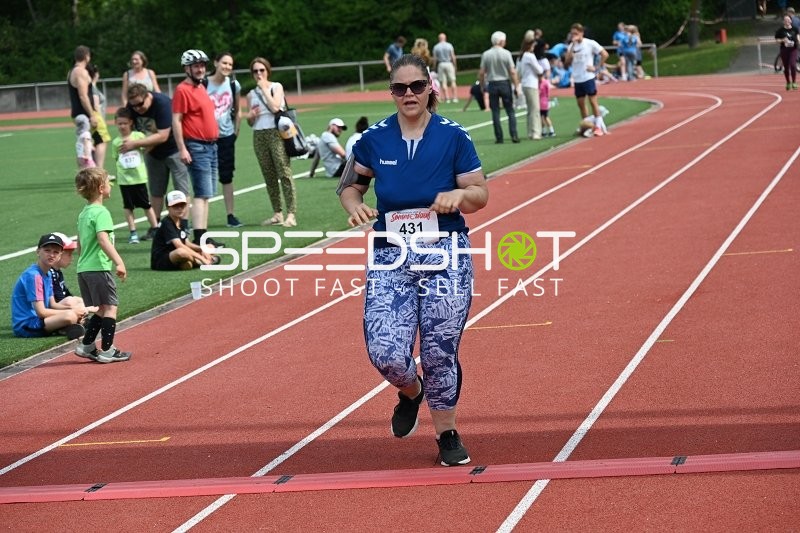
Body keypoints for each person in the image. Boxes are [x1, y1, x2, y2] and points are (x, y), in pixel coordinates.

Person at [338, 53, 489, 467]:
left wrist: (460, 196)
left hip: (446, 253)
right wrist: (354, 205)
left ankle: (447, 432)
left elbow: (480, 192)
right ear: (391, 93)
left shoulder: (454, 136)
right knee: (385, 351)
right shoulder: (373, 138)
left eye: (416, 87)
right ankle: (410, 391)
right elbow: (350, 186)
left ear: (430, 88)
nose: (408, 94)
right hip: (391, 256)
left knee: (440, 348)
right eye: (400, 88)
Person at [74, 167, 132, 363]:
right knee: (111, 307)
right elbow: (103, 239)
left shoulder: (84, 214)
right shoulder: (101, 212)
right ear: (101, 188)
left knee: (101, 308)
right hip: (99, 267)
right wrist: (119, 261)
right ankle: (107, 350)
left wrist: (84, 261)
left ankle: (86, 345)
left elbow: (80, 244)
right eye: (109, 183)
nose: (111, 186)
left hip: (84, 268)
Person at [172, 49, 221, 247]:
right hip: (197, 145)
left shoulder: (201, 87)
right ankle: (200, 237)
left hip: (211, 146)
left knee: (206, 194)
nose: (200, 69)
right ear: (187, 68)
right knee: (201, 193)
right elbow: (176, 120)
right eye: (196, 66)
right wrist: (182, 148)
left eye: (202, 65)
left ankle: (203, 234)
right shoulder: (182, 90)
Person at [123, 83, 191, 225]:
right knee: (156, 190)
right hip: (152, 152)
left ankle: (183, 225)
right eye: (133, 106)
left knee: (181, 189)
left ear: (148, 96)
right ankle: (155, 226)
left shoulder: (163, 104)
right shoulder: (132, 107)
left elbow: (163, 136)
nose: (137, 109)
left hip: (174, 150)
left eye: (140, 104)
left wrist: (135, 145)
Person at [247, 57, 297, 227]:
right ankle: (277, 213)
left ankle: (291, 213)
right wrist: (251, 117)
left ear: (267, 71)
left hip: (276, 133)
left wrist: (264, 89)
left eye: (262, 70)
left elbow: (276, 107)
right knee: (268, 175)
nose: (259, 74)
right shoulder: (250, 94)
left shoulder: (276, 87)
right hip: (259, 135)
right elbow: (250, 122)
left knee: (284, 172)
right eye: (255, 71)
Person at [11, 233, 87, 340]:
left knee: (76, 308)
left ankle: (64, 327)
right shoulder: (34, 276)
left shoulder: (48, 273)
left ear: (60, 255)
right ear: (38, 252)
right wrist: (72, 312)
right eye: (47, 251)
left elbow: (53, 305)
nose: (51, 255)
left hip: (39, 319)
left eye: (56, 252)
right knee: (69, 316)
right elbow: (41, 312)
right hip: (26, 325)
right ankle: (65, 326)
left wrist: (77, 309)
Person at [111, 106, 159, 244]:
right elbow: (116, 158)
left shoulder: (138, 136)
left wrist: (142, 152)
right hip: (125, 181)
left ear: (131, 122)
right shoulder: (116, 142)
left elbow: (148, 146)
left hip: (139, 179)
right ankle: (133, 232)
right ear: (115, 123)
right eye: (119, 123)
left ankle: (155, 228)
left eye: (125, 123)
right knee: (128, 207)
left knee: (147, 205)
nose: (122, 126)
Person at [207, 51, 243, 228]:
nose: (227, 67)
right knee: (203, 176)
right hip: (206, 138)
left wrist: (235, 131)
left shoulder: (234, 84)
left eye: (230, 64)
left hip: (226, 137)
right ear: (215, 63)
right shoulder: (203, 84)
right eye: (224, 63)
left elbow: (238, 110)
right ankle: (195, 219)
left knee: (227, 177)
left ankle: (230, 215)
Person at [564, 22, 609, 137]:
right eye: (572, 33)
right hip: (578, 79)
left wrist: (597, 68)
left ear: (581, 33)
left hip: (588, 78)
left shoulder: (590, 43)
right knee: (581, 104)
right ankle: (587, 125)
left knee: (593, 102)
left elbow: (605, 54)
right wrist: (572, 49)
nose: (574, 36)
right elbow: (566, 63)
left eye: (576, 33)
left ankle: (598, 126)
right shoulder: (571, 47)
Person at [151, 190, 215, 270]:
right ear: (168, 207)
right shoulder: (167, 223)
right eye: (175, 206)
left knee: (210, 246)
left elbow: (186, 243)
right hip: (161, 260)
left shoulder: (180, 220)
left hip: (176, 254)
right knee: (181, 252)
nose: (179, 208)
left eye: (182, 205)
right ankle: (201, 261)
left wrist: (203, 249)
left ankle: (188, 262)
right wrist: (202, 258)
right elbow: (179, 245)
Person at [479, 31, 521, 144]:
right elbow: (512, 71)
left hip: (492, 83)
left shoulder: (486, 54)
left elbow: (482, 72)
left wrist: (482, 85)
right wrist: (516, 85)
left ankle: (499, 137)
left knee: (495, 111)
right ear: (501, 41)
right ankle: (514, 134)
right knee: (510, 110)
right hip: (504, 83)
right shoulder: (506, 53)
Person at [48, 232, 95, 315]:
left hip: (56, 308)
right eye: (69, 255)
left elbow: (65, 293)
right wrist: (83, 308)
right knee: (71, 301)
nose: (72, 258)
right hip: (51, 311)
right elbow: (61, 299)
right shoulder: (51, 274)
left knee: (78, 300)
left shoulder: (57, 272)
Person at [68, 46, 98, 160]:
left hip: (81, 114)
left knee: (90, 144)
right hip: (83, 115)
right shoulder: (80, 72)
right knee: (85, 148)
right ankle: (89, 173)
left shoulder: (72, 70)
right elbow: (83, 96)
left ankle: (95, 172)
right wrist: (92, 115)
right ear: (86, 56)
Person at [518, 35, 544, 140]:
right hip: (531, 83)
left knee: (530, 109)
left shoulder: (522, 56)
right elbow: (539, 70)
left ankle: (530, 131)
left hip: (525, 83)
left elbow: (518, 71)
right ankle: (535, 132)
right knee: (535, 109)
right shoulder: (530, 56)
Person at [85, 63, 110, 171]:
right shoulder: (92, 87)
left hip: (93, 118)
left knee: (92, 142)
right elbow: (95, 105)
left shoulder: (90, 86)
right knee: (101, 141)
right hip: (96, 117)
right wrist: (100, 119)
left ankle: (94, 169)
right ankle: (99, 171)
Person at [432, 33, 458, 103]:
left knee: (443, 82)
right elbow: (453, 56)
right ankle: (454, 97)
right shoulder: (449, 45)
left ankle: (447, 98)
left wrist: (434, 67)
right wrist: (455, 65)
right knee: (452, 80)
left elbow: (435, 58)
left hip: (441, 64)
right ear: (445, 38)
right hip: (449, 63)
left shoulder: (436, 47)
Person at [775, 14, 799, 90]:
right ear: (783, 21)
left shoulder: (795, 29)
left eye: (788, 20)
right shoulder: (780, 30)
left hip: (793, 50)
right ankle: (788, 82)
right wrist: (782, 40)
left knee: (793, 65)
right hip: (784, 50)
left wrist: (798, 40)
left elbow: (798, 36)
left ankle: (794, 82)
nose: (787, 21)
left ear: (791, 21)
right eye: (785, 20)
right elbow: (777, 40)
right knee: (786, 67)